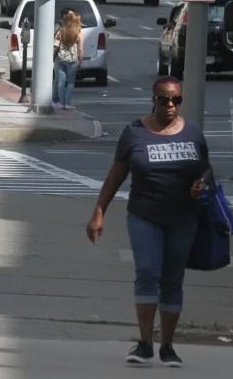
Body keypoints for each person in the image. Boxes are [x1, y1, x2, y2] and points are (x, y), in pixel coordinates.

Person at [85, 76, 210, 368]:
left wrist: (200, 184)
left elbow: (206, 170)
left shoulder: (192, 132)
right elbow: (117, 174)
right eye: (164, 99)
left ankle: (167, 346)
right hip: (145, 217)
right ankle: (144, 343)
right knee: (147, 273)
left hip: (183, 218)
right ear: (153, 101)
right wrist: (99, 211)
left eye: (176, 100)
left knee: (172, 280)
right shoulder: (134, 132)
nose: (170, 105)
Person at [54, 11, 83, 110]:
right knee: (70, 82)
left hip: (60, 58)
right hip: (72, 60)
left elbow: (55, 45)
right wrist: (80, 60)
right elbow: (80, 49)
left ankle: (61, 103)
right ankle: (67, 103)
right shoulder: (79, 33)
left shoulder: (60, 31)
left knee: (61, 81)